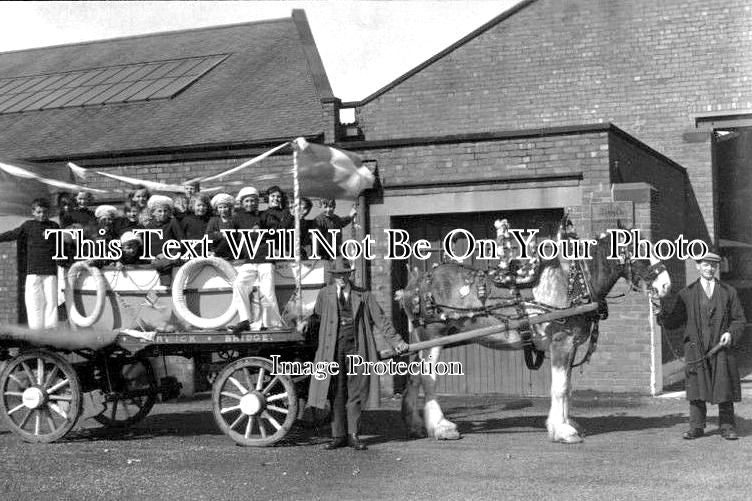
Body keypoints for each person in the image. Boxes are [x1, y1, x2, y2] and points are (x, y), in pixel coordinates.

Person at [306, 257, 409, 450]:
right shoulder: (324, 295)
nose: (341, 279)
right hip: (332, 351)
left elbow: (381, 320)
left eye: (344, 275)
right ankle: (338, 436)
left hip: (356, 349)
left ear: (349, 275)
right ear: (333, 277)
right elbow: (316, 320)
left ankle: (353, 435)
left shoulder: (364, 295)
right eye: (337, 275)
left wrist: (397, 342)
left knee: (355, 392)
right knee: (336, 392)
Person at [657, 251, 746, 440]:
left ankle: (727, 427)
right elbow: (674, 321)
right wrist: (660, 310)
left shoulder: (729, 292)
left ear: (717, 267)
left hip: (721, 348)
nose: (710, 268)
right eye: (705, 265)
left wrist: (730, 333)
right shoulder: (686, 294)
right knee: (696, 389)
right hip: (696, 348)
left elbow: (739, 320)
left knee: (724, 388)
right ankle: (696, 427)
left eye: (713, 265)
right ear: (698, 266)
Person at [225, 186, 285, 334]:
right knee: (239, 285)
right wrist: (218, 252)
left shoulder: (264, 215)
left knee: (267, 291)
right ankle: (245, 320)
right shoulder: (237, 218)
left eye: (253, 201)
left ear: (257, 202)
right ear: (242, 203)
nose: (250, 204)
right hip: (249, 260)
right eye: (247, 201)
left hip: (265, 258)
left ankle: (272, 324)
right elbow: (229, 238)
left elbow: (275, 229)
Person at [0, 198, 60, 330]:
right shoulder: (28, 226)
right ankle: (36, 330)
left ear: (48, 212)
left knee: (51, 301)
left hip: (50, 271)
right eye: (39, 212)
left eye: (44, 212)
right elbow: (12, 234)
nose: (42, 215)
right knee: (34, 302)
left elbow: (62, 246)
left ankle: (51, 329)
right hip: (33, 271)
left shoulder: (54, 226)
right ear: (33, 212)